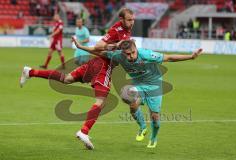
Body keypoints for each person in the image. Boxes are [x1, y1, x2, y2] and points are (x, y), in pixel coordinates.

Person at [20, 8, 135, 150]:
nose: (132, 22)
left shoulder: (126, 30)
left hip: (95, 64)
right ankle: (84, 131)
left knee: (66, 79)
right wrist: (115, 45)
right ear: (122, 19)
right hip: (103, 67)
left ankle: (30, 72)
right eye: (129, 20)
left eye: (133, 19)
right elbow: (99, 46)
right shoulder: (116, 30)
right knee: (102, 101)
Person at [72, 39, 202, 148]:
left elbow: (169, 57)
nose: (131, 56)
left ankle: (153, 137)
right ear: (122, 53)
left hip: (154, 86)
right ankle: (142, 127)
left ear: (136, 49)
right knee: (129, 101)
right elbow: (99, 51)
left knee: (155, 117)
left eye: (133, 53)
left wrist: (191, 56)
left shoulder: (146, 54)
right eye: (127, 54)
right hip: (139, 86)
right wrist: (80, 46)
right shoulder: (118, 55)